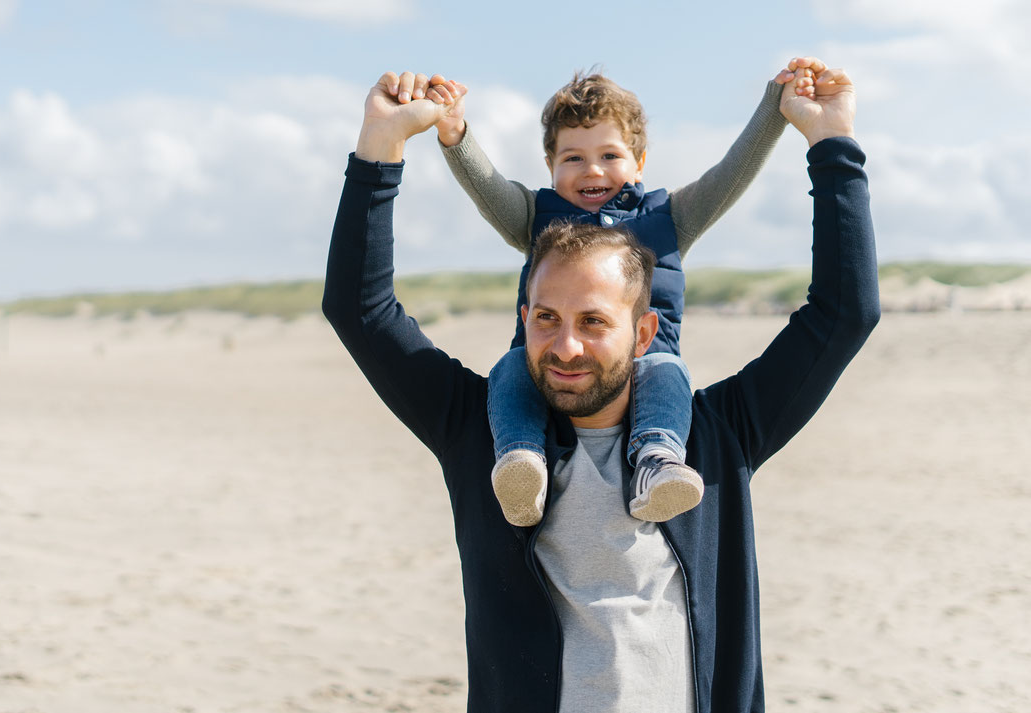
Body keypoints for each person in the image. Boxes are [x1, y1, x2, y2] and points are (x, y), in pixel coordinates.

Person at [323, 58, 879, 713]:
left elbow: (845, 312)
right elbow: (361, 310)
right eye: (548, 318)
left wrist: (832, 144)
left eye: (594, 321)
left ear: (644, 333)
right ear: (524, 317)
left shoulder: (715, 442)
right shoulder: (480, 433)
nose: (567, 345)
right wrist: (380, 147)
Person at [396, 68, 798, 527]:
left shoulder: (669, 219)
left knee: (669, 371)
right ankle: (521, 462)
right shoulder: (535, 217)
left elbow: (732, 173)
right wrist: (455, 133)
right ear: (550, 164)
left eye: (610, 154)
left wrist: (775, 108)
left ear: (639, 161)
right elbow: (486, 185)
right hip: (548, 370)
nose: (592, 170)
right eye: (573, 158)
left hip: (641, 369)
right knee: (509, 366)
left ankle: (656, 462)